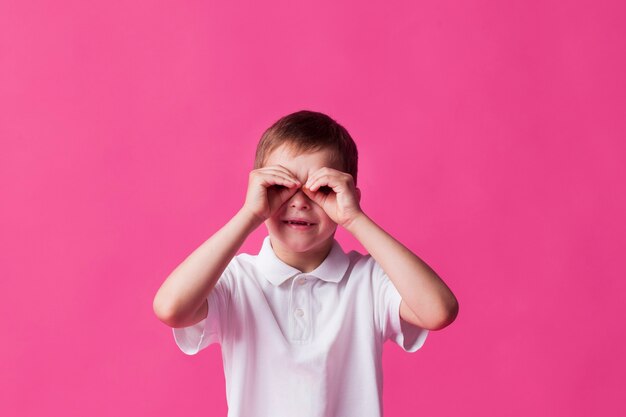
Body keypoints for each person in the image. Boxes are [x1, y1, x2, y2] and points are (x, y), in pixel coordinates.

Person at [153, 110, 459, 417]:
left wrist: (355, 219)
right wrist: (249, 215)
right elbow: (171, 309)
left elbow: (438, 311)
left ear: (347, 196)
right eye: (280, 187)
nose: (299, 201)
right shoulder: (238, 280)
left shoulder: (368, 281)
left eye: (321, 189)